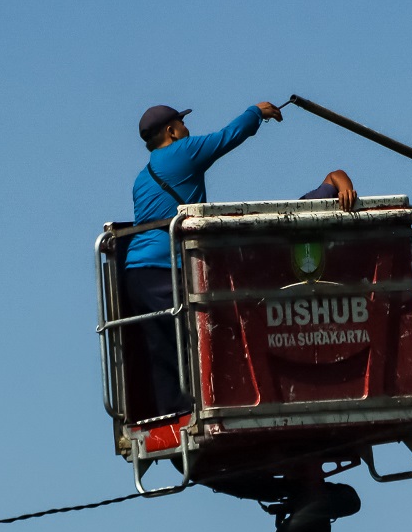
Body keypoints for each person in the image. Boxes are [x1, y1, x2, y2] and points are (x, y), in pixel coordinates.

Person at [120, 101, 357, 423]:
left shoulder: (142, 177)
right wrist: (257, 112)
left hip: (136, 274)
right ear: (172, 131)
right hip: (165, 271)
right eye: (182, 124)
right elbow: (226, 137)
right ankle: (204, 409)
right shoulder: (182, 152)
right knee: (202, 338)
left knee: (163, 352)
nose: (187, 130)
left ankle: (172, 418)